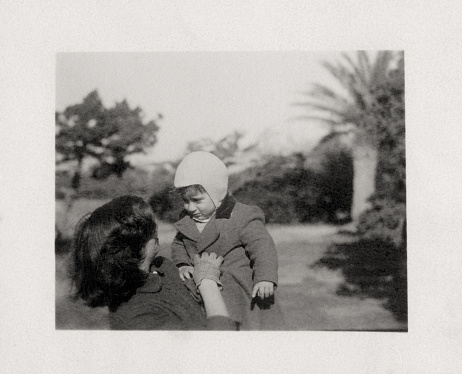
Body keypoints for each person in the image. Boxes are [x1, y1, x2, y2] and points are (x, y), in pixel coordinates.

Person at [70, 195, 237, 330]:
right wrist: (208, 282)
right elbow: (218, 348)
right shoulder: (137, 318)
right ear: (132, 247)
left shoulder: (160, 266)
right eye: (148, 230)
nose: (155, 231)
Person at [171, 151, 285, 330]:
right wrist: (183, 264)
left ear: (217, 193)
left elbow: (263, 247)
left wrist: (265, 279)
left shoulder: (241, 216)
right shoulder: (187, 219)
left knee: (246, 337)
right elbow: (179, 244)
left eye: (197, 200)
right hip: (202, 290)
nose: (190, 207)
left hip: (239, 291)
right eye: (185, 201)